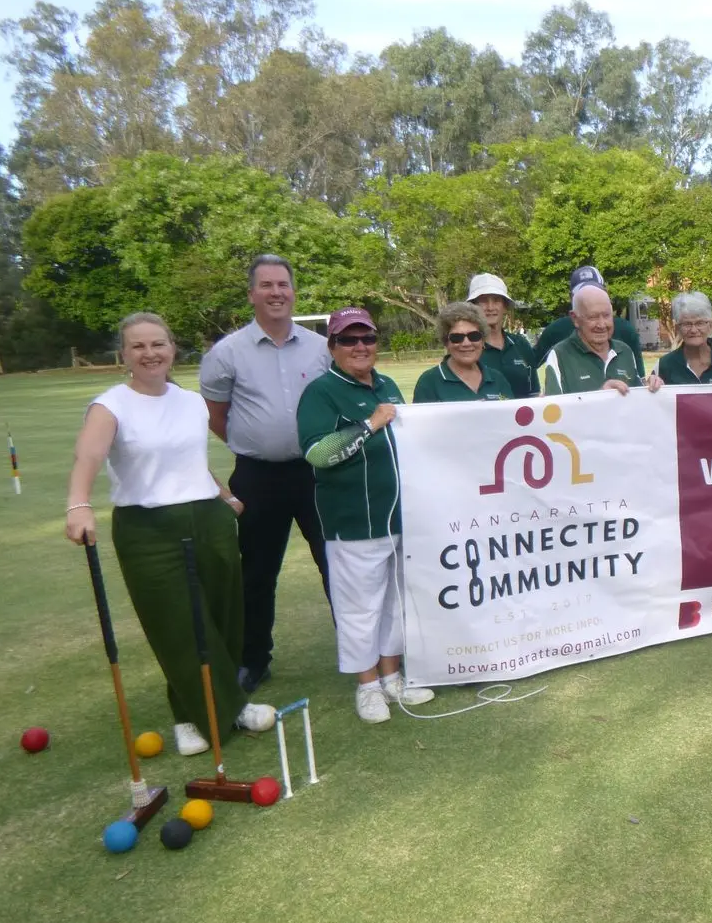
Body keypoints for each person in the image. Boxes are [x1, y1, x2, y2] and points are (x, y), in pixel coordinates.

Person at [66, 312, 276, 756]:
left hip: (208, 519)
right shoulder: (111, 405)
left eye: (157, 344)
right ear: (124, 354)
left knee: (221, 618)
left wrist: (224, 495)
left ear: (172, 349)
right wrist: (79, 505)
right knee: (178, 625)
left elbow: (191, 462)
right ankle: (193, 717)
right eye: (138, 346)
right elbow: (87, 457)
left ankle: (222, 707)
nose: (150, 353)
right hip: (147, 528)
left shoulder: (191, 401)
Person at [199, 254, 331, 694]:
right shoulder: (226, 352)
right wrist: (258, 443)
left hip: (316, 473)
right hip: (257, 477)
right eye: (267, 285)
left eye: (284, 284)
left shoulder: (320, 347)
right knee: (256, 573)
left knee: (337, 564)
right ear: (252, 293)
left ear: (293, 291)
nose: (277, 292)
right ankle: (254, 659)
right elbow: (217, 417)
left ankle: (361, 649)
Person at [297, 308, 436, 723]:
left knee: (395, 602)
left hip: (397, 518)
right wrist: (368, 425)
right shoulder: (322, 391)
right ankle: (367, 686)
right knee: (360, 608)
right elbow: (317, 453)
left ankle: (392, 677)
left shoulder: (387, 384)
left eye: (367, 339)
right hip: (353, 521)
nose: (360, 347)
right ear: (332, 347)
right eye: (348, 340)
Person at [542, 278, 665, 395]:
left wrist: (650, 387)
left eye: (606, 315)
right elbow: (554, 412)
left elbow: (637, 401)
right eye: (593, 317)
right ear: (575, 319)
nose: (601, 325)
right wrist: (602, 396)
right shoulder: (559, 356)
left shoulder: (625, 351)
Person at [533, 266, 646, 375]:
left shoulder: (626, 331)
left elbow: (639, 381)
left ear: (606, 293)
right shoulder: (557, 330)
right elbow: (530, 365)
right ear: (571, 297)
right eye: (582, 293)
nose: (601, 325)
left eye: (595, 291)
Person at [413, 302, 514, 404]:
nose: (466, 343)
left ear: (482, 340)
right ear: (446, 342)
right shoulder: (429, 382)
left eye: (474, 336)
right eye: (457, 337)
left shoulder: (498, 379)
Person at [465, 273, 538, 399]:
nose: (490, 307)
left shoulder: (521, 345)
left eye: (496, 300)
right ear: (473, 306)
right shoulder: (466, 347)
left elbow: (533, 393)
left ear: (505, 306)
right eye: (483, 301)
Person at [653, 292, 712, 385]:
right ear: (678, 328)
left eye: (700, 323)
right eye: (687, 324)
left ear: (711, 326)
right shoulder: (664, 365)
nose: (693, 330)